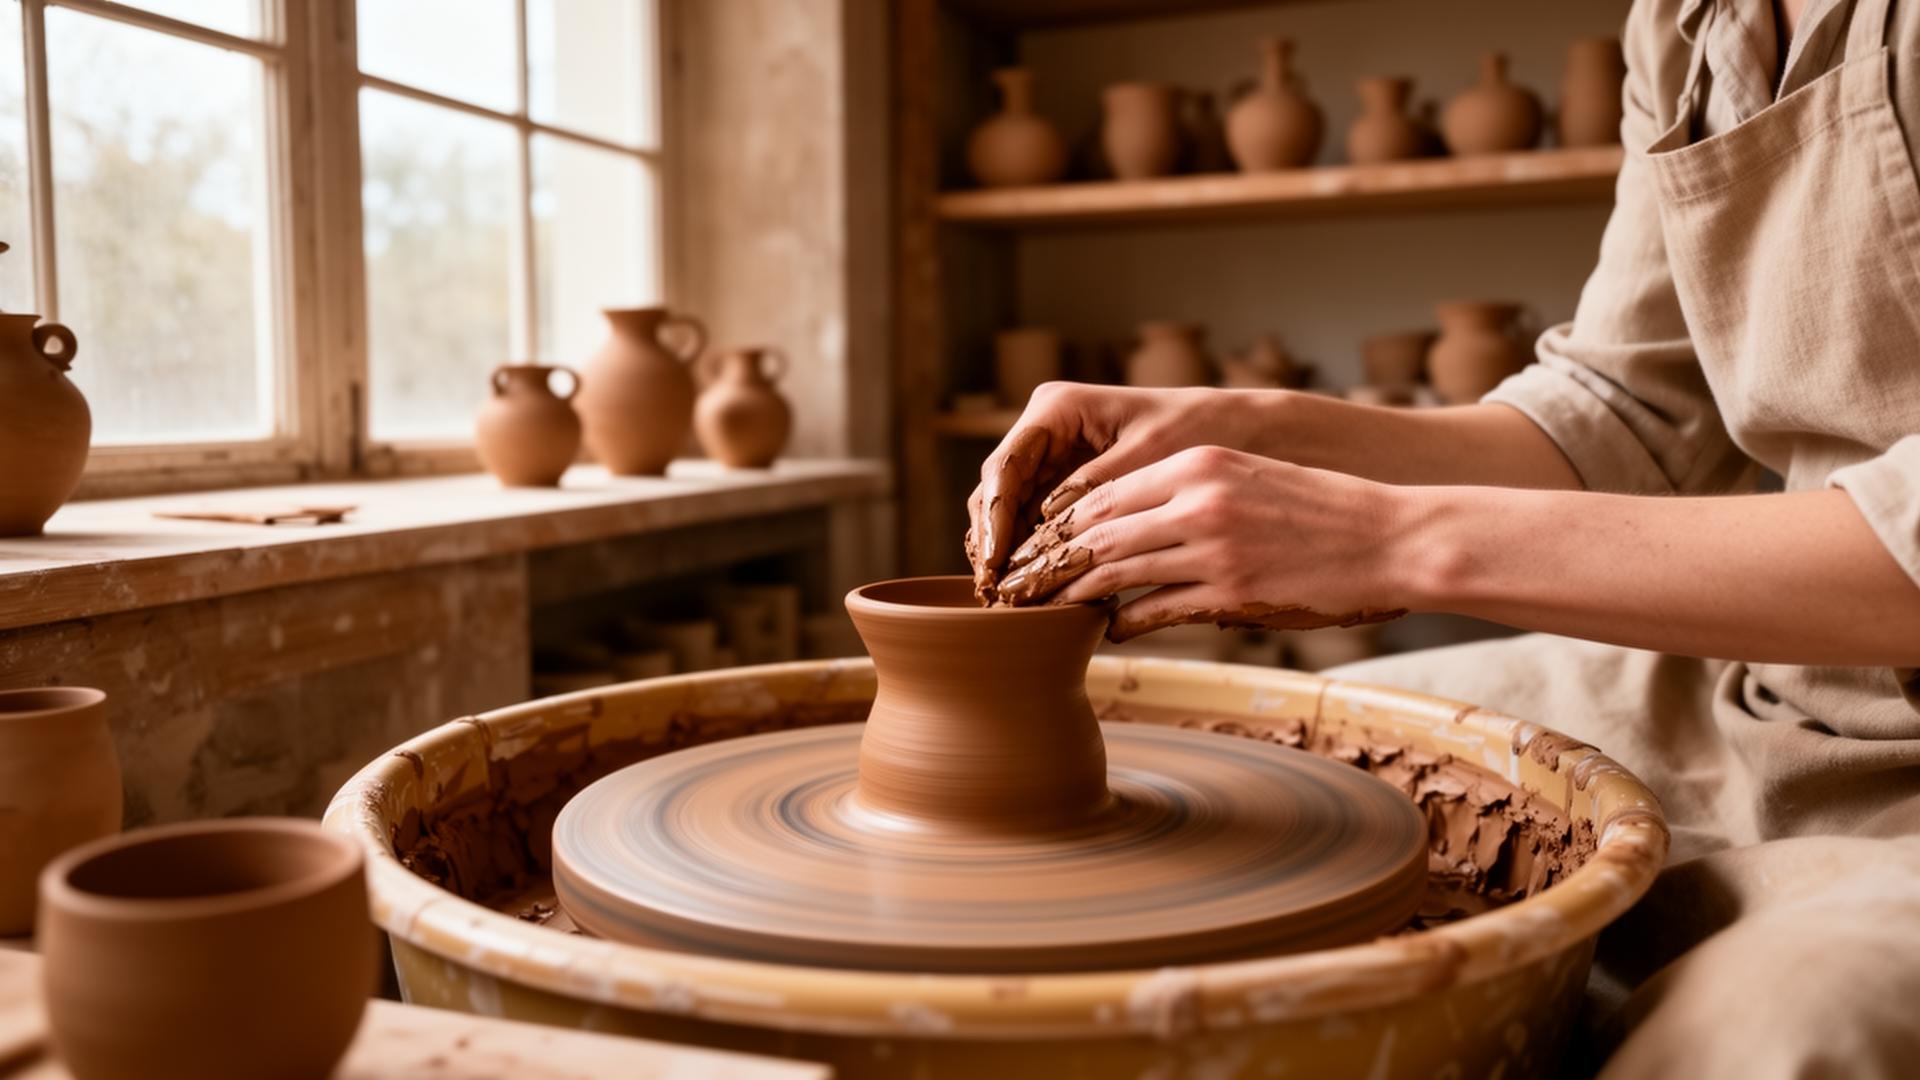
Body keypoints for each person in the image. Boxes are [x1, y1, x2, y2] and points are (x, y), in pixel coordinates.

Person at [965, 0, 1920, 1075]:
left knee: (1776, 1037)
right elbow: (1623, 415)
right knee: (1267, 774)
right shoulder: (1691, 22)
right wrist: (1256, 427)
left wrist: (1393, 539)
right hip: (1789, 684)